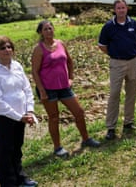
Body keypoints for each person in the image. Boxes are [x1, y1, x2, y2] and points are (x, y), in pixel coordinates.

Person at [31, 20, 100, 157]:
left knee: (79, 112)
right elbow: (34, 71)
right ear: (40, 33)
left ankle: (86, 139)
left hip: (64, 86)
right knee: (54, 117)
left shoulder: (61, 44)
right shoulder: (39, 49)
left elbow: (69, 61)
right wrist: (42, 91)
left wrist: (71, 78)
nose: (49, 31)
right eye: (45, 29)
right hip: (48, 88)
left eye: (50, 28)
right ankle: (57, 148)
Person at [0, 36, 38, 187]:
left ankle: (20, 178)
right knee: (5, 151)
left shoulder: (17, 66)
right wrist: (19, 117)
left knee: (17, 148)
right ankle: (8, 182)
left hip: (22, 115)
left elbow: (26, 89)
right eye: (2, 48)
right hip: (6, 117)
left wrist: (30, 111)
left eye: (9, 47)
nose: (7, 50)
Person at [98, 0, 136, 140]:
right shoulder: (108, 26)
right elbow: (102, 46)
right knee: (114, 94)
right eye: (118, 8)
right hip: (117, 63)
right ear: (114, 10)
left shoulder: (134, 24)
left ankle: (128, 122)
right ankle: (111, 127)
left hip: (133, 62)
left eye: (123, 7)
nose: (121, 10)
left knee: (131, 93)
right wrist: (114, 54)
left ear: (127, 9)